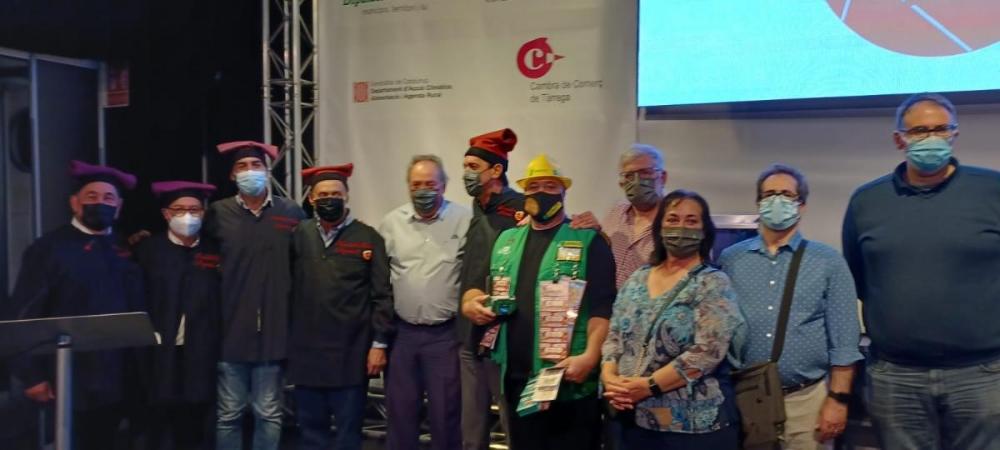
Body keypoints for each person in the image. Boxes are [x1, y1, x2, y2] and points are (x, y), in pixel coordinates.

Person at [842, 93, 1000, 449]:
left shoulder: (993, 190)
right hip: (895, 376)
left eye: (940, 129)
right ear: (899, 139)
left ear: (955, 134)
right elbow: (860, 278)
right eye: (920, 131)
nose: (931, 138)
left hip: (982, 375)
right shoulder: (866, 201)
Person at [463, 154, 616, 450]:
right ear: (524, 193)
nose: (541, 193)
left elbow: (603, 309)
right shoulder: (506, 241)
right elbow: (476, 288)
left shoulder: (588, 241)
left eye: (550, 186)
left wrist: (591, 356)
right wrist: (471, 304)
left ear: (563, 192)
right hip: (516, 378)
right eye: (533, 187)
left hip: (569, 378)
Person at [719, 164, 862, 449]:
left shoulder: (828, 261)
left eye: (786, 194)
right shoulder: (730, 260)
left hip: (806, 401)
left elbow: (844, 341)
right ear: (759, 203)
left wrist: (838, 400)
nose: (777, 200)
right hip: (746, 399)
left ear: (802, 205)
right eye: (769, 194)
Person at [7, 160, 145, 450]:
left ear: (119, 207)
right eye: (91, 197)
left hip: (117, 376)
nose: (101, 203)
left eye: (109, 198)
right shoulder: (48, 249)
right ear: (75, 203)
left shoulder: (124, 249)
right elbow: (23, 314)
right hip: (67, 376)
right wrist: (31, 376)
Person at [601, 189, 744, 449]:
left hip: (691, 428)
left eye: (691, 221)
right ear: (660, 226)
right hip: (630, 419)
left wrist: (647, 386)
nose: (681, 227)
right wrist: (610, 378)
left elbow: (707, 352)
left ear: (704, 230)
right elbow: (613, 336)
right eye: (673, 219)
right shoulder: (637, 278)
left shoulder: (712, 283)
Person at [204, 140, 306, 450]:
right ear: (232, 176)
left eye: (256, 165)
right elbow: (202, 265)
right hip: (231, 331)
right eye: (242, 167)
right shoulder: (217, 214)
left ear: (267, 170)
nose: (250, 171)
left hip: (275, 334)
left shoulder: (291, 212)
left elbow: (303, 266)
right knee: (229, 414)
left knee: (269, 413)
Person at [288, 164, 394, 450]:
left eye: (336, 193)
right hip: (307, 355)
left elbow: (382, 295)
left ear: (347, 196)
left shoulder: (368, 237)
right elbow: (286, 290)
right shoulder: (298, 235)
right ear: (311, 198)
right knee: (311, 433)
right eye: (323, 194)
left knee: (349, 434)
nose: (329, 199)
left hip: (351, 355)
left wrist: (379, 343)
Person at [379, 154, 472, 450]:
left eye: (430, 184)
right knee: (400, 415)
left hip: (445, 336)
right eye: (416, 185)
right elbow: (380, 282)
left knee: (446, 415)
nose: (423, 190)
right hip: (402, 335)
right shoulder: (391, 223)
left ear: (444, 185)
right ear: (408, 187)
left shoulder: (465, 220)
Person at [134, 180, 222, 450]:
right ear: (166, 214)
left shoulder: (214, 251)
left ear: (204, 214)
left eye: (195, 210)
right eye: (180, 209)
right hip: (159, 351)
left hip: (201, 351)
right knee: (157, 421)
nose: (188, 215)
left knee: (195, 421)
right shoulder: (147, 251)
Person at [457, 128, 523, 450]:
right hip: (469, 332)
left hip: (506, 337)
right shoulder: (475, 209)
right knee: (471, 427)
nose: (466, 174)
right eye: (465, 166)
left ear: (496, 170)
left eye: (473, 167)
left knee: (513, 422)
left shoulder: (523, 210)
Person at [572, 144, 667, 288]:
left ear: (663, 177)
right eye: (629, 175)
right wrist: (596, 233)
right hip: (607, 307)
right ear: (621, 183)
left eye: (645, 172)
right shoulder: (616, 212)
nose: (636, 181)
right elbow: (604, 255)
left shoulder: (675, 223)